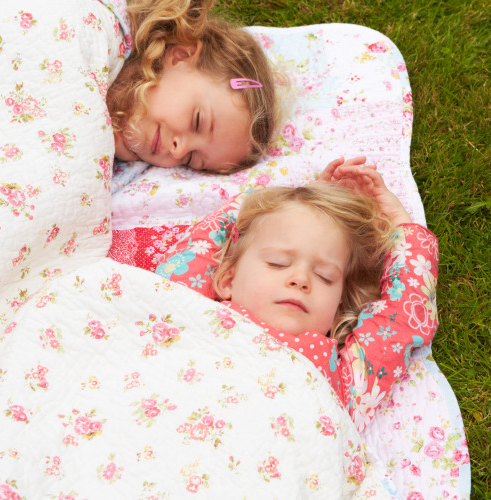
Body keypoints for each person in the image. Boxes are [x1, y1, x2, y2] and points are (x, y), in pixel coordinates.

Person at [108, 158, 439, 430]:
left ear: (338, 310)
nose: (300, 279)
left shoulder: (343, 377)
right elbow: (196, 250)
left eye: (324, 277)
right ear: (227, 280)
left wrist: (399, 224)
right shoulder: (187, 312)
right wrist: (302, 197)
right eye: (278, 262)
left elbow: (403, 317)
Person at [106, 0, 278, 173]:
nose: (178, 150)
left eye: (190, 159)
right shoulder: (106, 34)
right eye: (197, 121)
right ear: (181, 56)